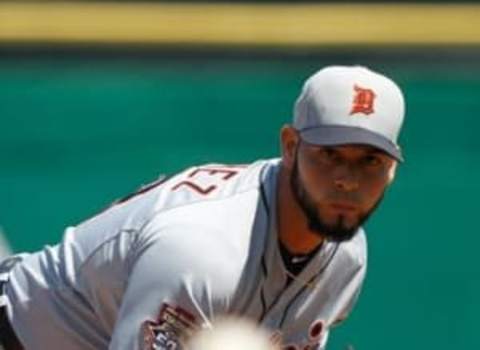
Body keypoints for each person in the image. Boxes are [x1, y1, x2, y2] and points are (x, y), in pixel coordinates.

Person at [0, 65, 405, 350]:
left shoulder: (346, 255)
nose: (348, 180)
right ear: (290, 146)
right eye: (330, 155)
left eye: (370, 161)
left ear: (392, 170)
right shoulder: (202, 248)